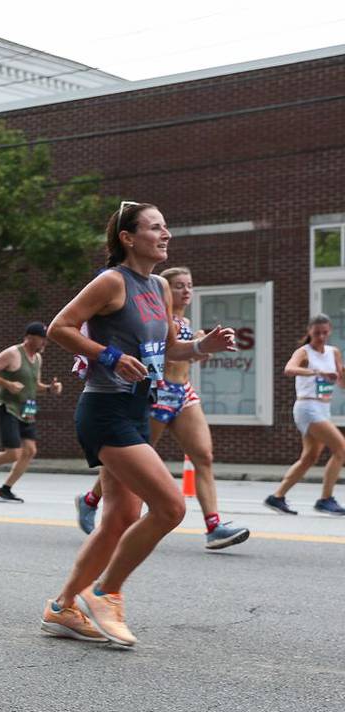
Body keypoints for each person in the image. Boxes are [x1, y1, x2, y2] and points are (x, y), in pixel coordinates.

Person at [40, 201, 236, 647]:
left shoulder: (159, 289)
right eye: (155, 227)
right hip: (105, 411)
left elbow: (170, 351)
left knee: (120, 517)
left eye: (166, 226)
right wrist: (108, 356)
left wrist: (204, 345)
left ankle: (62, 607)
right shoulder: (112, 281)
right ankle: (106, 591)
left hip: (135, 408)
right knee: (170, 506)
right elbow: (60, 327)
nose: (165, 234)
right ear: (128, 238)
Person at [75, 267, 252, 547]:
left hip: (183, 393)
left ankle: (213, 525)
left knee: (203, 455)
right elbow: (163, 354)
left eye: (189, 285)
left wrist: (202, 346)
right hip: (157, 393)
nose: (186, 291)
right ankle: (91, 500)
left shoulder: (188, 322)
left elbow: (185, 357)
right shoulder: (155, 320)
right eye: (179, 286)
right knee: (133, 463)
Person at [0, 322, 63, 503]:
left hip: (27, 409)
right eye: (42, 339)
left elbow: (34, 386)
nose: (45, 343)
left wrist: (49, 389)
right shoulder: (12, 354)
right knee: (13, 453)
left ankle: (4, 490)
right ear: (30, 337)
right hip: (7, 407)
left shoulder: (37, 359)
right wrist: (8, 384)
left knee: (30, 451)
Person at [265, 313, 345, 516]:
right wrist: (316, 372)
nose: (321, 336)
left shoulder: (333, 352)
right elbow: (289, 369)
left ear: (330, 331)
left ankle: (277, 496)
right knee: (341, 448)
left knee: (309, 458)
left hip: (323, 408)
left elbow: (339, 381)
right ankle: (325, 499)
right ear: (309, 332)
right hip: (307, 408)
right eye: (317, 332)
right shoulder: (304, 352)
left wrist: (340, 376)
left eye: (325, 332)